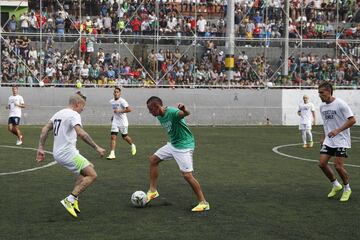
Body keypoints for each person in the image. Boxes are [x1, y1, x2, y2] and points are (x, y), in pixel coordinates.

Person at [36, 92, 106, 218]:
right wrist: (97, 147)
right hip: (68, 153)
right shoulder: (73, 114)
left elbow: (45, 129)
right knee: (92, 175)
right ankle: (70, 199)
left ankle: (75, 201)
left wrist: (41, 148)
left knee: (85, 170)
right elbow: (81, 133)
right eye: (82, 107)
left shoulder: (58, 113)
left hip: (59, 153)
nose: (82, 110)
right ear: (77, 104)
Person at [146, 96, 210, 212]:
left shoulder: (172, 112)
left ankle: (203, 202)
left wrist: (184, 109)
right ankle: (153, 191)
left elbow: (185, 114)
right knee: (153, 160)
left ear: (157, 107)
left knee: (187, 176)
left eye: (151, 110)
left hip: (184, 146)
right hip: (173, 144)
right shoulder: (159, 115)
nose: (150, 112)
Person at [318, 82, 356, 202]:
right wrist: (324, 136)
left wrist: (337, 131)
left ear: (329, 91)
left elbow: (353, 120)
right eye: (319, 93)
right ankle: (336, 185)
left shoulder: (340, 104)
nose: (319, 95)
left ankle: (347, 188)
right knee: (322, 164)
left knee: (338, 166)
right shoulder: (322, 107)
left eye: (321, 93)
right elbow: (326, 123)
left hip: (341, 139)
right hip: (329, 139)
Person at [106, 86, 136, 160]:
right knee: (113, 137)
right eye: (115, 92)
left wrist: (119, 111)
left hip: (123, 122)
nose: (116, 93)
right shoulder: (111, 101)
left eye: (117, 92)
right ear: (113, 93)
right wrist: (113, 116)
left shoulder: (122, 101)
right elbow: (115, 110)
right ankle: (112, 153)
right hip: (115, 122)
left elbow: (129, 109)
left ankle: (132, 145)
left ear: (120, 93)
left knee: (125, 137)